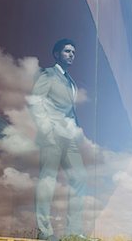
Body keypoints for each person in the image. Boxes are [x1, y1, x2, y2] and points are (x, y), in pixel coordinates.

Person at [28, 39, 86, 240]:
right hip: (52, 136)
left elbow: (70, 110)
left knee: (80, 177)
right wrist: (47, 129)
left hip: (69, 139)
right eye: (67, 51)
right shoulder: (48, 74)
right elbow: (35, 102)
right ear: (56, 54)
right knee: (48, 180)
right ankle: (44, 232)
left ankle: (74, 232)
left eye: (73, 52)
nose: (71, 54)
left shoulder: (71, 82)